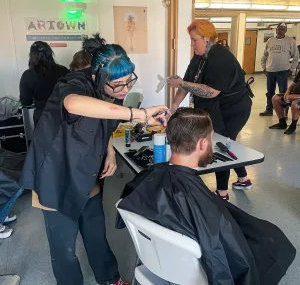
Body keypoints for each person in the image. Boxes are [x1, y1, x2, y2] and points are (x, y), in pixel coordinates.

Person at [19, 34, 168, 285]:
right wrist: (137, 114)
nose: (123, 90)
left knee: (95, 229)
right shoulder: (73, 83)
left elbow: (104, 122)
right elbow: (74, 104)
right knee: (64, 246)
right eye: (117, 85)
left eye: (128, 82)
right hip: (55, 171)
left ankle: (109, 278)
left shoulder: (111, 88)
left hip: (86, 167)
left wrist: (108, 151)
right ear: (98, 76)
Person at [116, 108, 296, 285]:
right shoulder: (194, 198)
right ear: (203, 144)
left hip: (158, 261)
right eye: (211, 138)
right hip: (192, 275)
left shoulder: (146, 178)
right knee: (272, 240)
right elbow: (226, 257)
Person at [168, 19, 252, 201]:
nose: (192, 45)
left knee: (221, 144)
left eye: (194, 40)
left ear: (206, 38)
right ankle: (243, 178)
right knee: (229, 143)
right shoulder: (199, 57)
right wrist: (173, 107)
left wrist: (182, 83)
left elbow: (211, 91)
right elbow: (187, 83)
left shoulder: (220, 57)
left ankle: (222, 193)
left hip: (234, 109)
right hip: (217, 107)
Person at [19, 41, 69, 126]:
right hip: (63, 113)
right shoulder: (64, 70)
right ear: (50, 53)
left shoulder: (28, 75)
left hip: (42, 115)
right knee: (65, 138)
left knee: (43, 138)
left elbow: (26, 101)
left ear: (32, 56)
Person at [260, 22, 299, 116]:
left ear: (285, 30)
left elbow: (296, 56)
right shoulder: (270, 40)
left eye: (282, 29)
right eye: (278, 29)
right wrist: (264, 67)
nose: (280, 31)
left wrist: (291, 69)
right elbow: (265, 55)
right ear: (276, 29)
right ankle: (269, 109)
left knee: (283, 92)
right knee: (270, 92)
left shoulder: (290, 41)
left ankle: (284, 111)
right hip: (270, 71)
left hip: (283, 71)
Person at [269, 69, 300, 134]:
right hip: (293, 95)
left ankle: (293, 126)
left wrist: (297, 96)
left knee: (295, 103)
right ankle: (282, 123)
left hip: (297, 97)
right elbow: (293, 83)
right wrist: (287, 92)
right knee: (276, 98)